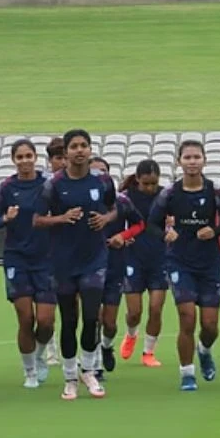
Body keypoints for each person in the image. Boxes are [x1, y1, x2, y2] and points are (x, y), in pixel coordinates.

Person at [147, 140, 220, 391]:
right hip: (180, 261)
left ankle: (204, 350)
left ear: (204, 160)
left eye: (196, 157)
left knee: (210, 325)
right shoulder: (170, 193)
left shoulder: (214, 191)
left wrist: (215, 231)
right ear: (179, 162)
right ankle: (187, 373)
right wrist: (165, 234)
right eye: (187, 157)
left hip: (209, 263)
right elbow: (151, 223)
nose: (192, 162)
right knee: (187, 318)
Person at [34, 129, 115, 400]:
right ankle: (70, 377)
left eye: (84, 145)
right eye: (74, 146)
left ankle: (88, 370)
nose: (79, 150)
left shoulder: (102, 181)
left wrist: (106, 219)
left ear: (90, 149)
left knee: (92, 317)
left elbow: (115, 208)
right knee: (69, 320)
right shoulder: (54, 185)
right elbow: (37, 219)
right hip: (64, 261)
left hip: (94, 259)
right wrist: (61, 218)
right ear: (66, 152)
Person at [0, 139, 56, 388]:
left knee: (46, 321)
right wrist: (5, 219)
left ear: (35, 157)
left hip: (46, 259)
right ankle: (30, 372)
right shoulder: (6, 188)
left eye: (29, 156)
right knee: (25, 318)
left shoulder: (49, 185)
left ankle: (39, 355)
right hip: (17, 257)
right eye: (20, 157)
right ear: (13, 160)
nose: (25, 161)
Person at [89, 157, 144, 377]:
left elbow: (139, 223)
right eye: (94, 172)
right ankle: (94, 365)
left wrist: (123, 235)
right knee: (92, 318)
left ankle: (107, 346)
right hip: (88, 265)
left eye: (102, 171)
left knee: (109, 322)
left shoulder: (121, 201)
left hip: (115, 264)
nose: (99, 175)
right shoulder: (82, 200)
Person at [118, 160, 167, 367]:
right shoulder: (126, 197)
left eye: (153, 183)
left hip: (160, 258)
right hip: (133, 257)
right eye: (146, 183)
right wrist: (123, 235)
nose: (150, 188)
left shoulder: (166, 196)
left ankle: (149, 352)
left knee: (155, 309)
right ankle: (131, 335)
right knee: (134, 312)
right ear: (137, 179)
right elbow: (118, 222)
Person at [42, 138, 66, 366]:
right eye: (58, 158)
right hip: (46, 252)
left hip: (73, 251)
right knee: (48, 309)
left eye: (65, 157)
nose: (63, 162)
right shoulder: (45, 186)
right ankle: (49, 349)